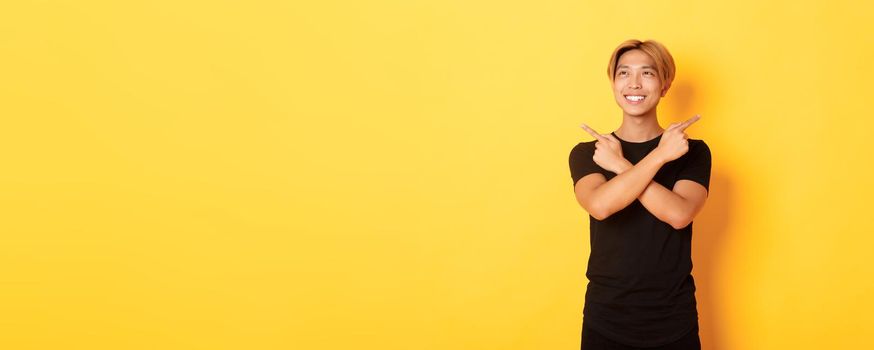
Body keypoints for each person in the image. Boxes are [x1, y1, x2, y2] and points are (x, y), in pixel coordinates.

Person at [568, 39, 711, 349]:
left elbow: (679, 214)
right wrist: (657, 157)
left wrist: (622, 164)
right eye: (624, 73)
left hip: (673, 317)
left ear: (664, 85)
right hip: (606, 317)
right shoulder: (588, 153)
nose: (634, 83)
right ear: (613, 83)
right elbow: (601, 206)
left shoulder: (692, 152)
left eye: (647, 73)